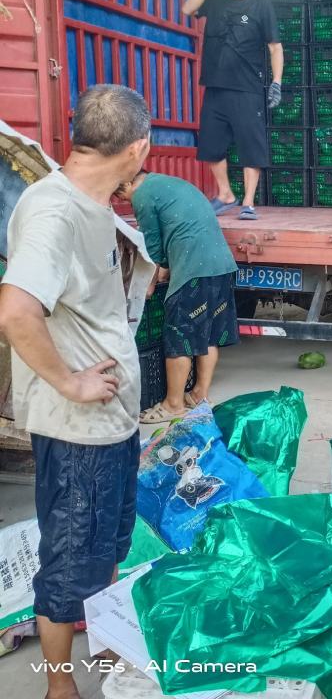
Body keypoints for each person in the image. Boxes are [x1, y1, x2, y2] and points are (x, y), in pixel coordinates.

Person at [0, 85, 153, 699]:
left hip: (110, 427)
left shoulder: (89, 204)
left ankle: (109, 656)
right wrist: (68, 380)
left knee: (103, 551)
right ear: (140, 148)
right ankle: (59, 687)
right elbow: (15, 310)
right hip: (78, 435)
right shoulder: (56, 210)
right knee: (68, 565)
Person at [114, 171, 240, 423]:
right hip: (222, 267)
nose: (128, 201)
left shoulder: (143, 195)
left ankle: (173, 404)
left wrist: (148, 284)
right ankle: (199, 396)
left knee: (178, 338)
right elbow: (181, 230)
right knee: (208, 334)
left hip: (194, 271)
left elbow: (153, 248)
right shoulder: (171, 183)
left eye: (123, 195)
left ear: (128, 182)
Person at [181, 0, 283, 221]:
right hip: (215, 86)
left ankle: (248, 203)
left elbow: (275, 47)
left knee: (251, 145)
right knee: (211, 145)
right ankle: (225, 194)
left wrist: (277, 82)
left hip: (247, 87)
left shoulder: (260, 5)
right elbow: (187, 9)